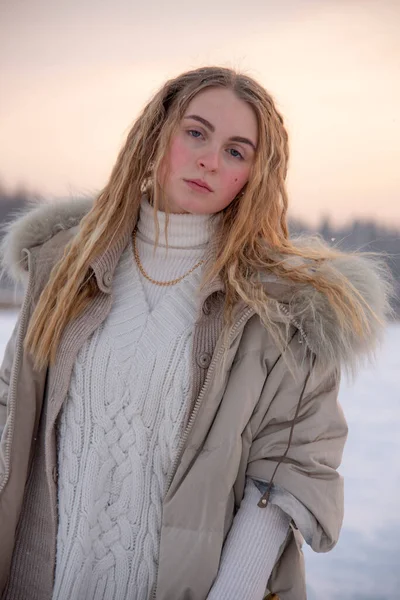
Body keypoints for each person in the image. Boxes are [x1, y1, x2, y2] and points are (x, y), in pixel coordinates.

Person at [0, 66, 392, 600]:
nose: (210, 158)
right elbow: (10, 413)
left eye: (236, 151)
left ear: (254, 174)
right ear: (157, 134)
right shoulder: (66, 266)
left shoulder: (284, 307)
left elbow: (291, 469)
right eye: (196, 132)